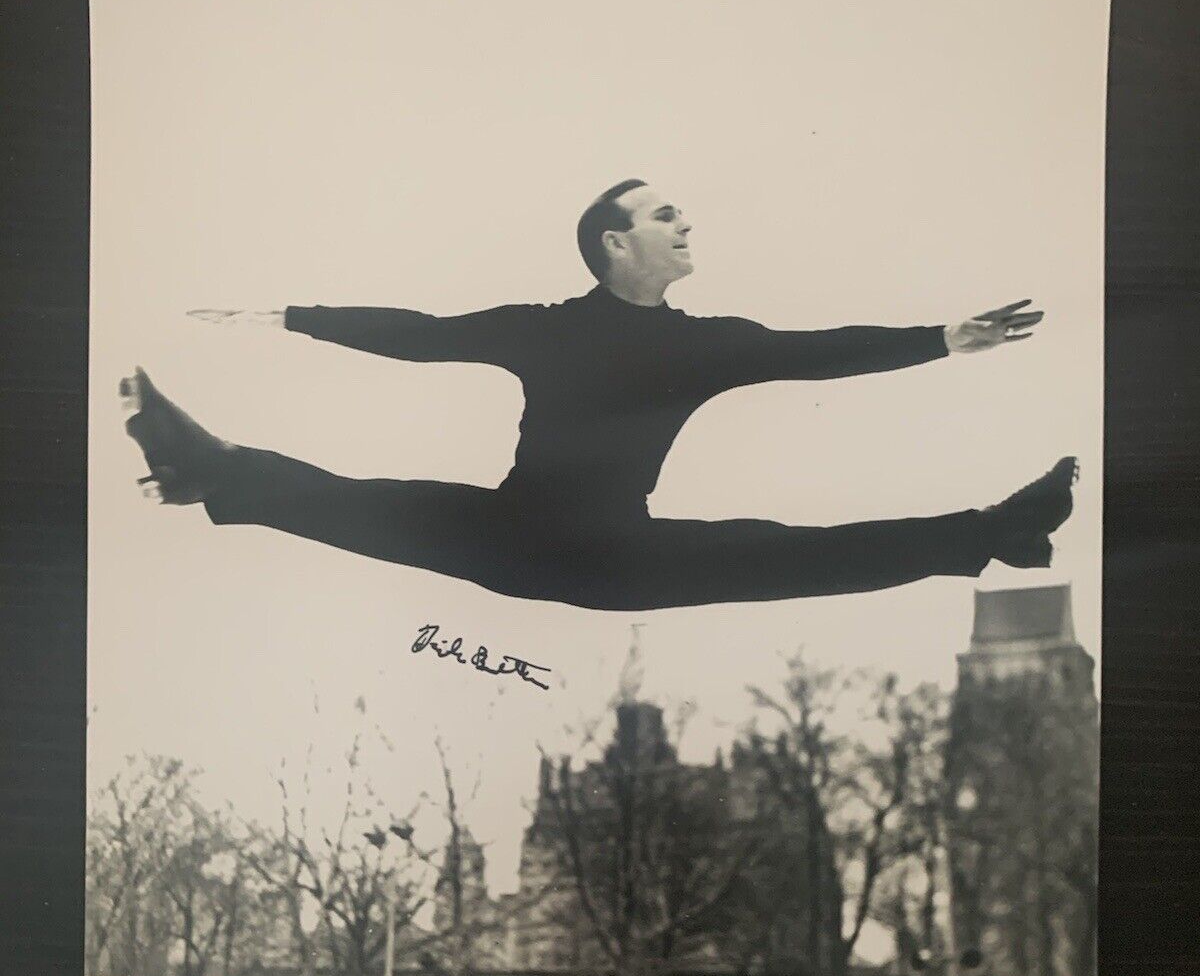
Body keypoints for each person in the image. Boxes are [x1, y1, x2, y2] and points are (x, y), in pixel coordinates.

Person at [120, 178, 1076, 612]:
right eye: (666, 215)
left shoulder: (707, 347)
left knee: (788, 555)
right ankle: (198, 465)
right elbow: (418, 334)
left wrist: (946, 338)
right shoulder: (547, 326)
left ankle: (996, 529)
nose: (686, 222)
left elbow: (823, 351)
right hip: (509, 534)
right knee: (352, 499)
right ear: (618, 243)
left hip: (618, 556)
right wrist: (286, 314)